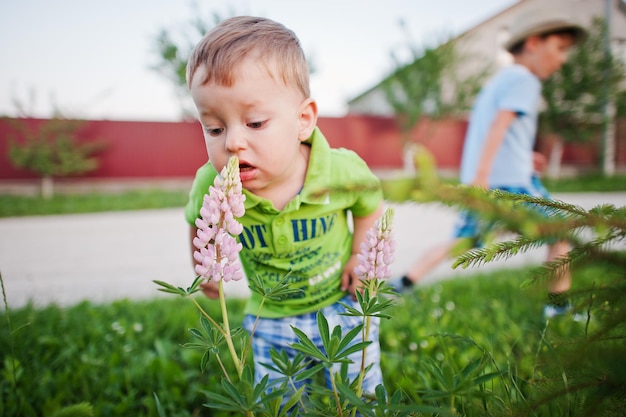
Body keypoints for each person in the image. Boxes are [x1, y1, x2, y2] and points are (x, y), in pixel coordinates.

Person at [183, 16, 385, 398]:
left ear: (303, 120)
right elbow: (197, 219)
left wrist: (361, 255)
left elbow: (370, 204)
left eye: (255, 123)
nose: (233, 143)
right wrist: (203, 263)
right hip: (269, 316)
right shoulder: (211, 183)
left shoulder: (340, 170)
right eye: (214, 128)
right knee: (281, 402)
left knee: (359, 396)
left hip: (340, 307)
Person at [394, 8, 586, 319]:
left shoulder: (499, 82)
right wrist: (486, 175)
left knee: (463, 241)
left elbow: (495, 131)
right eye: (560, 48)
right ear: (534, 43)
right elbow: (500, 125)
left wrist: (518, 158)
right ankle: (558, 306)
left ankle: (403, 282)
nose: (563, 59)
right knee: (561, 229)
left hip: (487, 178)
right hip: (510, 185)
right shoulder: (525, 80)